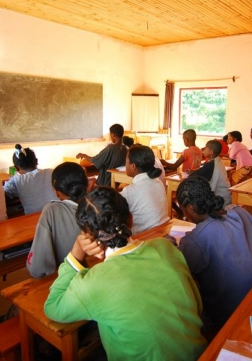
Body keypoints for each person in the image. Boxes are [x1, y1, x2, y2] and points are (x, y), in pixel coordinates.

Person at [44, 186, 206, 360]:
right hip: (199, 353)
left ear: (87, 236)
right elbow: (197, 304)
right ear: (130, 219)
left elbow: (53, 306)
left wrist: (77, 251)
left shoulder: (95, 281)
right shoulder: (165, 247)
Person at [177, 176, 252, 335]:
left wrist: (173, 246)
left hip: (229, 312)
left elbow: (180, 271)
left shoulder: (197, 239)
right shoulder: (239, 211)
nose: (185, 216)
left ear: (190, 208)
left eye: (183, 211)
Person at [26, 162, 88, 278]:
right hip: (100, 274)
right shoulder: (99, 204)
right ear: (86, 184)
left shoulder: (51, 211)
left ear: (56, 191)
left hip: (68, 279)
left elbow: (37, 268)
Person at [120, 145, 169, 235]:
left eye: (126, 162)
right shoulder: (158, 183)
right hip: (163, 231)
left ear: (133, 166)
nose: (125, 165)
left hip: (145, 237)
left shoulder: (129, 191)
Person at [4, 144, 58, 214]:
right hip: (58, 213)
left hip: (35, 218)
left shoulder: (15, 180)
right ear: (36, 161)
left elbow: (4, 196)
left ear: (16, 168)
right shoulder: (52, 172)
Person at [191, 140, 231, 206]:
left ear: (211, 152)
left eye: (205, 148)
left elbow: (193, 176)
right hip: (225, 196)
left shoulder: (210, 165)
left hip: (220, 200)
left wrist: (192, 172)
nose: (203, 150)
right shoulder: (218, 160)